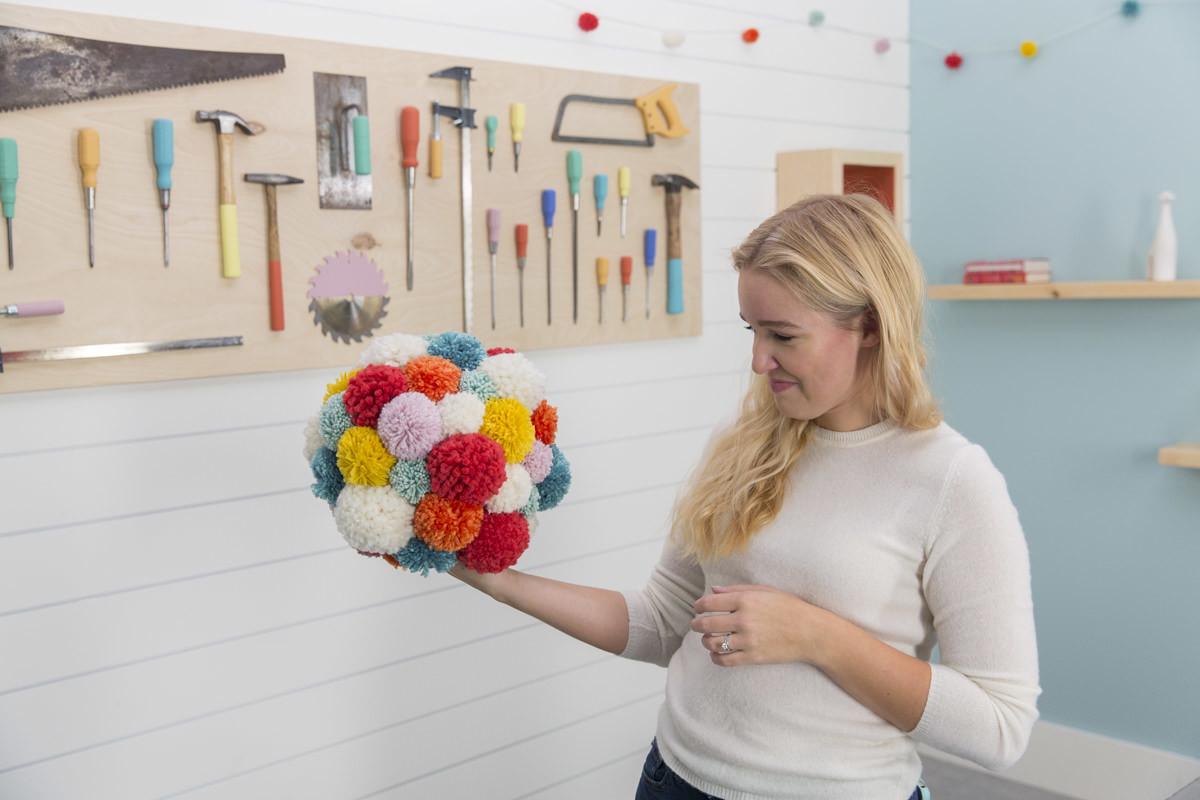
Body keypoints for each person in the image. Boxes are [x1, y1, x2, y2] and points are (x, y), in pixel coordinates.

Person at [451, 193, 1040, 800]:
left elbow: (1000, 727)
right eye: (752, 331)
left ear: (869, 325)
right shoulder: (742, 441)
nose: (760, 361)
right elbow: (663, 622)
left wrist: (817, 635)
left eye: (783, 335)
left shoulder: (952, 480)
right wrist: (496, 577)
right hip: (673, 780)